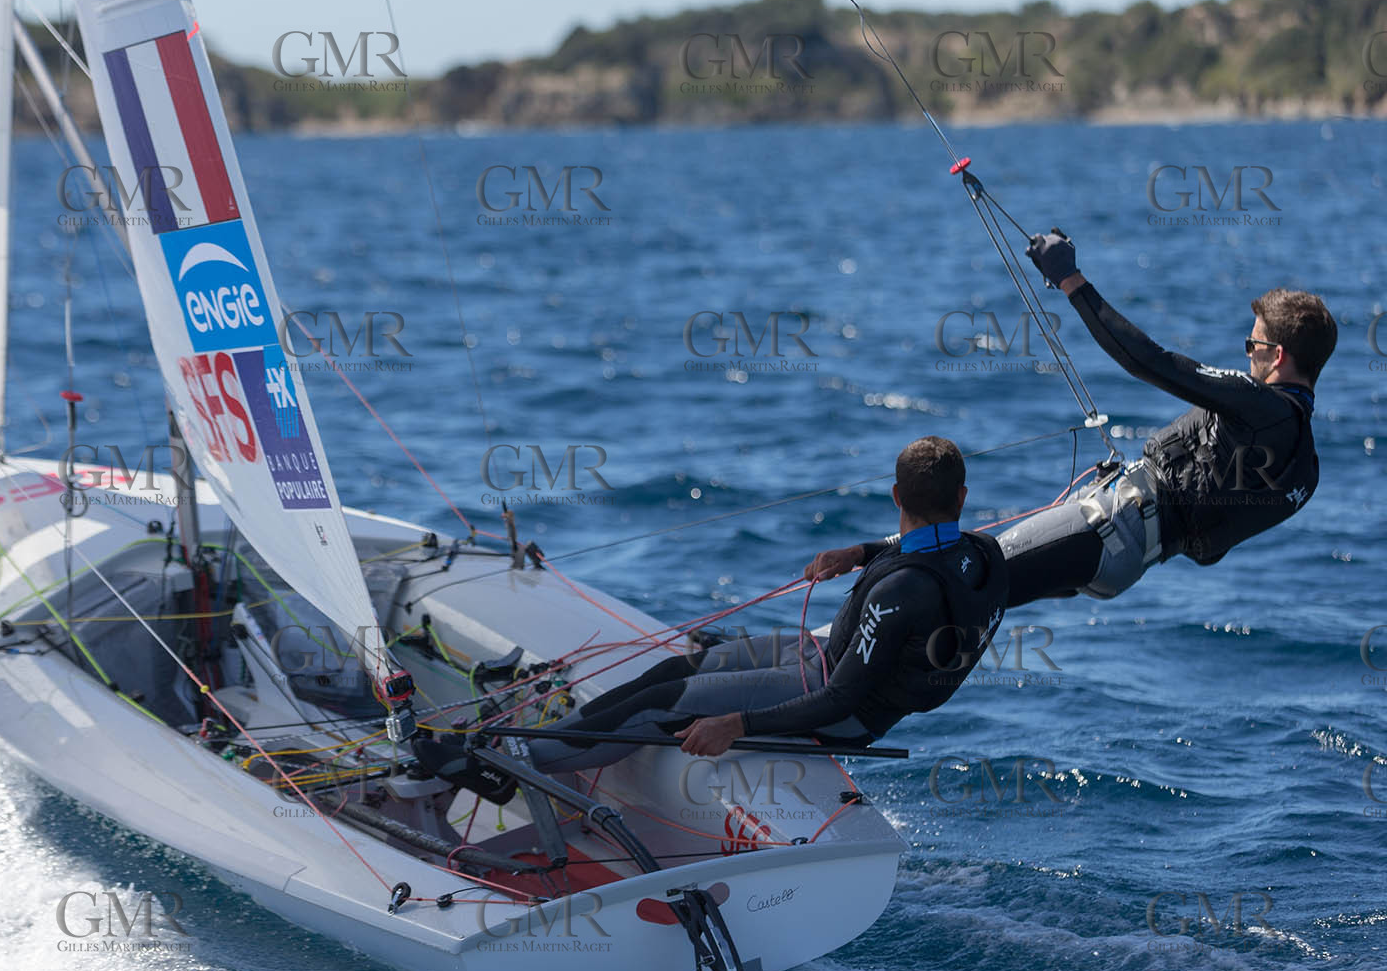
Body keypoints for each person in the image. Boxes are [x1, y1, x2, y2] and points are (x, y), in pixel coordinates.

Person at [414, 436, 1008, 791]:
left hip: (835, 702)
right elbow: (921, 550)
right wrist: (859, 552)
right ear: (961, 498)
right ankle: (553, 737)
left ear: (896, 496)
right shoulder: (980, 552)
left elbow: (839, 702)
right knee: (675, 671)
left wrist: (737, 726)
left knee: (656, 708)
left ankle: (505, 762)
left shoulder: (898, 593)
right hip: (823, 659)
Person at [808, 230, 1334, 607]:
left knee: (965, 578)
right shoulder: (1306, 468)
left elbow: (1147, 361)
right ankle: (865, 570)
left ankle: (815, 661)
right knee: (971, 590)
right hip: (1126, 555)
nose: (1246, 354)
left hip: (1111, 529)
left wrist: (1071, 281)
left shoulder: (1262, 408)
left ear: (1279, 356)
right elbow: (1211, 540)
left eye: (1253, 343)